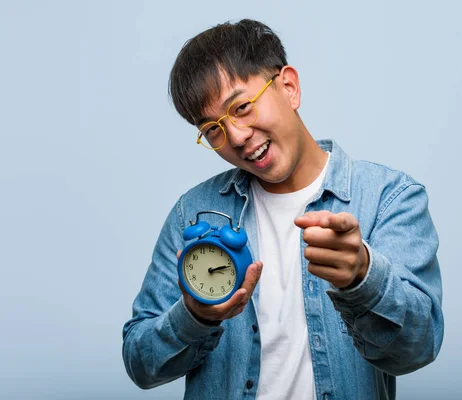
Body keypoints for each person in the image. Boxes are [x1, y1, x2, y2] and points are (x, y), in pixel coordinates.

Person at [122, 19, 443, 400]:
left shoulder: (389, 198)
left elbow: (418, 349)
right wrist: (195, 317)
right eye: (213, 130)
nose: (237, 138)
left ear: (288, 87)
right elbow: (140, 363)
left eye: (241, 107)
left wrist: (363, 277)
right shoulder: (192, 213)